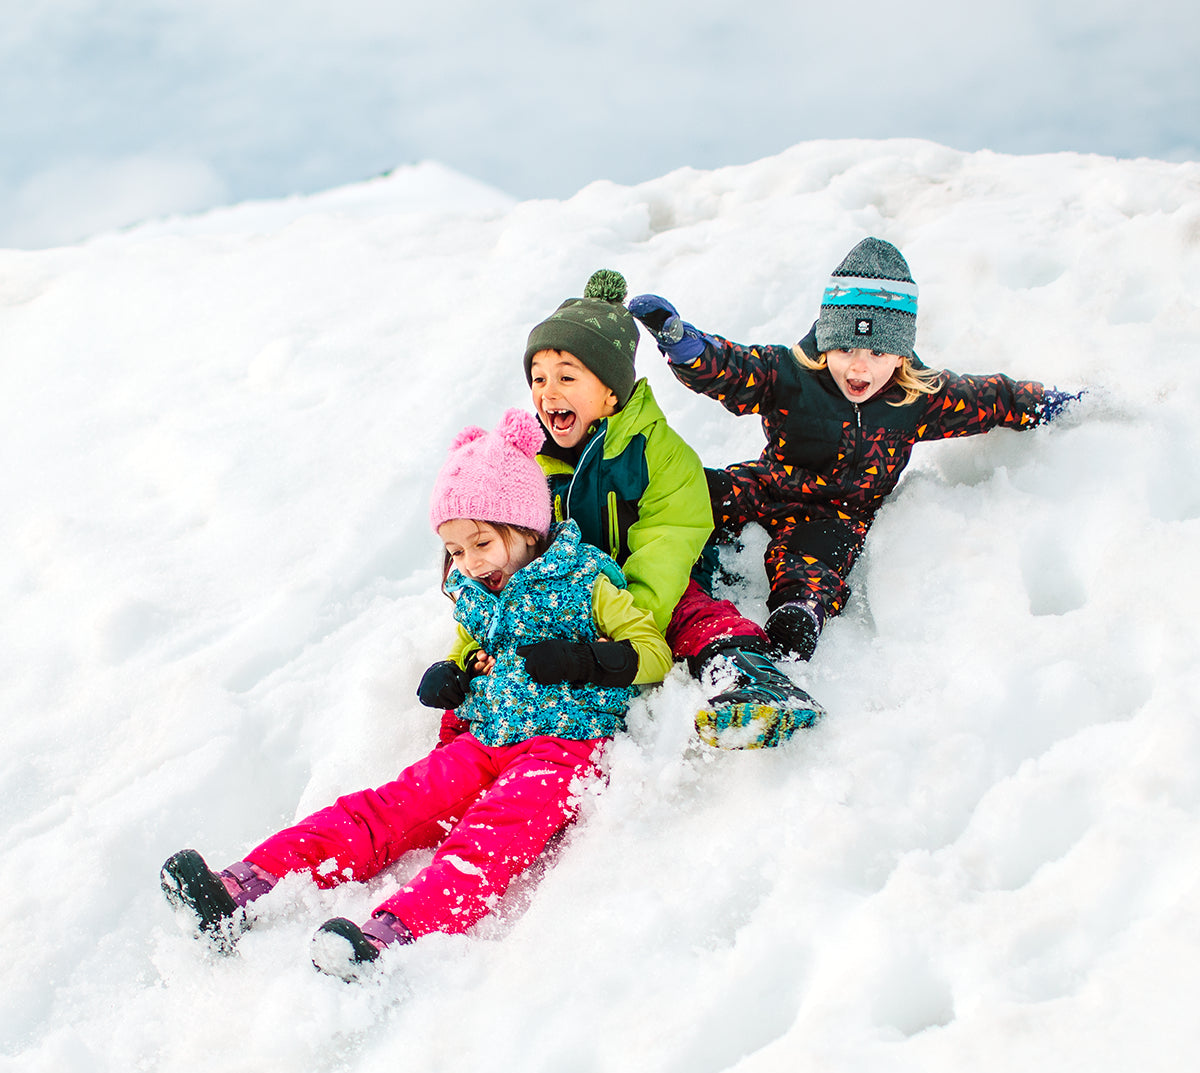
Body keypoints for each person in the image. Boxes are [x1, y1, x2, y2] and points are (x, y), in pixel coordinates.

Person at [161, 408, 673, 980]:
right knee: (388, 808)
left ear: (528, 528)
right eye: (455, 552)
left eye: (481, 543)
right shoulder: (479, 592)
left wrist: (583, 658)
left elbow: (653, 652)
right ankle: (243, 885)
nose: (470, 564)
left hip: (562, 748)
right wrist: (453, 674)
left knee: (489, 840)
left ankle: (393, 937)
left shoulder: (587, 579)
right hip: (485, 737)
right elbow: (470, 649)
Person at [628, 238, 1082, 659]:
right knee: (697, 491)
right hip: (770, 485)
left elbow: (991, 398)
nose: (858, 366)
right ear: (825, 342)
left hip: (839, 513)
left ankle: (799, 614)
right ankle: (614, 534)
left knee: (817, 561)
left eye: (877, 353)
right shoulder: (790, 375)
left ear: (901, 355)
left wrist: (1046, 405)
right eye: (844, 347)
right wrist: (685, 346)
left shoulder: (917, 400)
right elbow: (733, 369)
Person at [519, 268, 823, 749]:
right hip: (586, 588)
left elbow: (669, 536)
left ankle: (753, 681)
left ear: (611, 391)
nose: (547, 391)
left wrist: (629, 622)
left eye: (566, 377)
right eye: (538, 378)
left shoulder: (658, 452)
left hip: (659, 584)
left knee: (696, 615)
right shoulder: (533, 460)